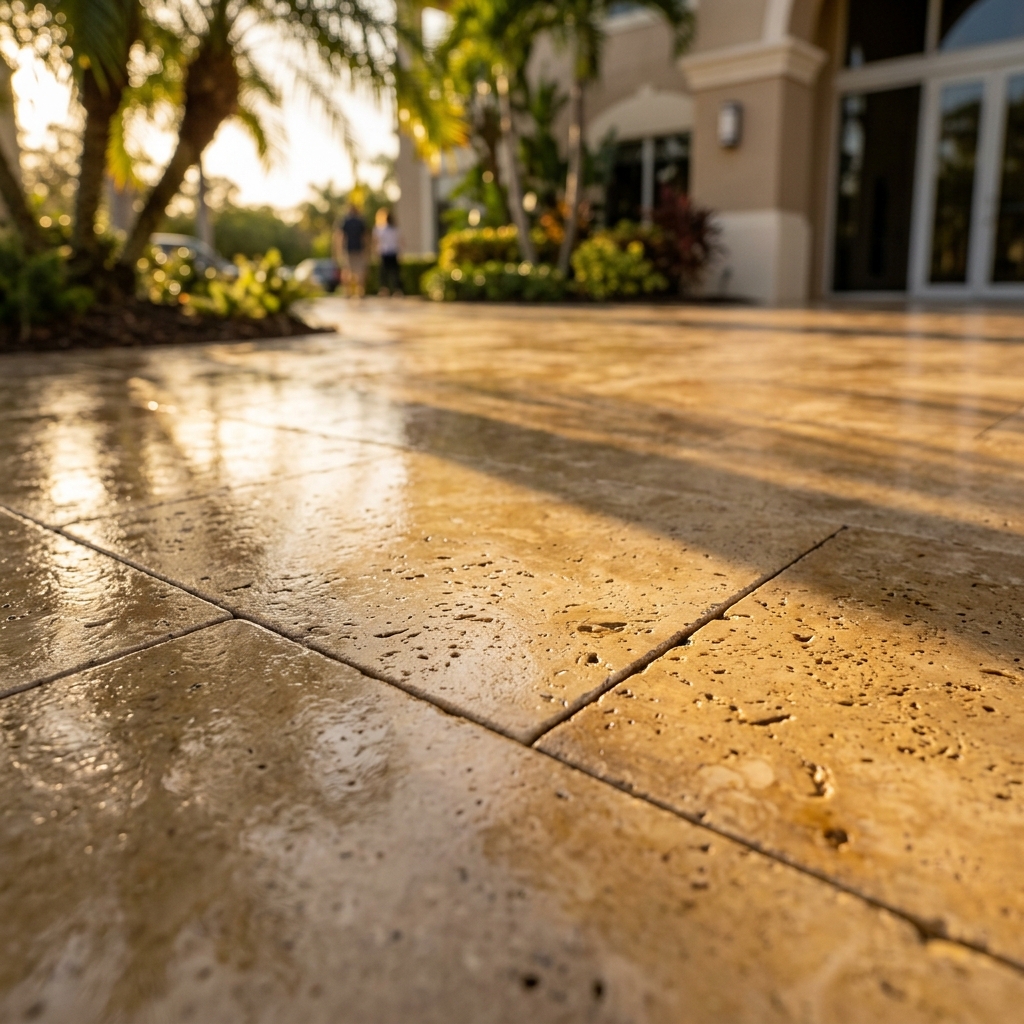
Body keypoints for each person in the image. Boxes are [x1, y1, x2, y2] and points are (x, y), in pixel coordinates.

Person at [334, 203, 367, 297]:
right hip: (359, 249)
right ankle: (360, 292)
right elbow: (365, 237)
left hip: (348, 249)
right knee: (360, 271)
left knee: (347, 270)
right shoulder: (361, 221)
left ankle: (348, 292)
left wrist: (338, 249)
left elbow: (340, 236)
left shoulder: (345, 221)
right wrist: (367, 250)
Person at [373, 208, 402, 296]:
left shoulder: (380, 229)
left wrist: (375, 251)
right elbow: (400, 241)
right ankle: (395, 290)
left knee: (386, 273)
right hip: (391, 252)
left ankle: (386, 290)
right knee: (393, 273)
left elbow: (376, 241)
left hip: (385, 252)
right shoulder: (394, 229)